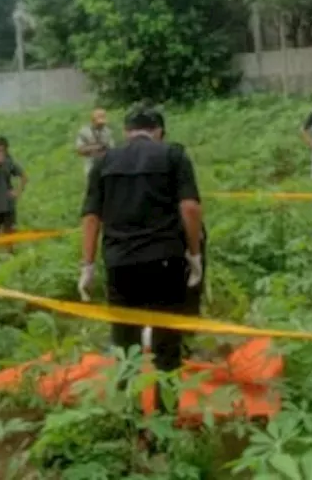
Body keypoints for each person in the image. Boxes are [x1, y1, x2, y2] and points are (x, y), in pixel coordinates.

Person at [78, 107, 204, 411]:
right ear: (158, 131)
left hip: (120, 265)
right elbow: (190, 208)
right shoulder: (173, 156)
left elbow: (91, 217)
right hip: (166, 262)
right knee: (166, 348)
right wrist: (195, 255)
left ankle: (129, 422)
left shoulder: (104, 161)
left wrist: (88, 265)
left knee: (124, 347)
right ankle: (164, 423)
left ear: (126, 131)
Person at [75, 108, 115, 176]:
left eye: (102, 123)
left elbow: (112, 149)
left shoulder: (107, 131)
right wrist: (96, 147)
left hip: (105, 166)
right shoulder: (84, 132)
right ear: (92, 121)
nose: (101, 125)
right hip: (91, 166)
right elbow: (80, 150)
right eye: (98, 123)